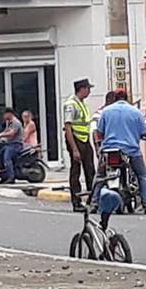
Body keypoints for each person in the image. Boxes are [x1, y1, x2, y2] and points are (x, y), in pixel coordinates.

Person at [96, 89, 146, 214]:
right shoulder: (135, 112)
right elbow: (143, 131)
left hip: (109, 150)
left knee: (100, 176)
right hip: (131, 150)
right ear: (127, 98)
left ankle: (94, 203)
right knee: (143, 175)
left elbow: (99, 131)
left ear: (115, 98)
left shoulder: (106, 111)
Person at [64, 78, 95, 210]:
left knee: (90, 170)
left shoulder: (81, 103)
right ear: (82, 89)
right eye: (88, 89)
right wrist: (74, 149)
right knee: (76, 171)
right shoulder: (71, 104)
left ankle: (93, 200)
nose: (89, 92)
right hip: (76, 140)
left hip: (84, 139)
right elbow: (68, 127)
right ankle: (76, 202)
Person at [0, 108, 24, 184]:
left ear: (9, 114)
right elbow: (6, 131)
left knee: (7, 158)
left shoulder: (16, 122)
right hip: (9, 144)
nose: (3, 116)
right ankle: (4, 176)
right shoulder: (9, 122)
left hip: (16, 145)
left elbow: (11, 133)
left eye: (5, 114)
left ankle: (11, 177)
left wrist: (0, 135)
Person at [91, 90, 118, 155]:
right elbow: (95, 131)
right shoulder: (99, 113)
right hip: (106, 145)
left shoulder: (98, 113)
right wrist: (97, 147)